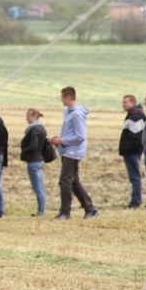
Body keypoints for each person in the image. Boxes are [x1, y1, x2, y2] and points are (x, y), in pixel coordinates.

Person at [49, 87, 98, 220]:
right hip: (67, 149)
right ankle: (90, 209)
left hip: (73, 151)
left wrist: (62, 140)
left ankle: (65, 212)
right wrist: (58, 140)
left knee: (64, 181)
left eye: (62, 97)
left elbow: (80, 136)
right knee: (73, 181)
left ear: (68, 97)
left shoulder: (76, 114)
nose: (61, 100)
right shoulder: (68, 112)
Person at [119, 95, 146, 209]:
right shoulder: (133, 114)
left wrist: (126, 149)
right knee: (134, 177)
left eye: (125, 102)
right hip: (132, 151)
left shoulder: (136, 116)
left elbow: (136, 137)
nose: (123, 104)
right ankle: (136, 200)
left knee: (135, 177)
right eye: (123, 102)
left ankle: (136, 201)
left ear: (133, 102)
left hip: (132, 152)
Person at [20, 108, 47, 217]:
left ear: (34, 116)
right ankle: (41, 209)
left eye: (28, 116)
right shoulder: (41, 128)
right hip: (40, 159)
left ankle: (41, 211)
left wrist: (24, 151)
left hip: (33, 160)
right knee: (40, 186)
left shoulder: (33, 130)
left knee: (37, 187)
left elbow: (33, 146)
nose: (27, 118)